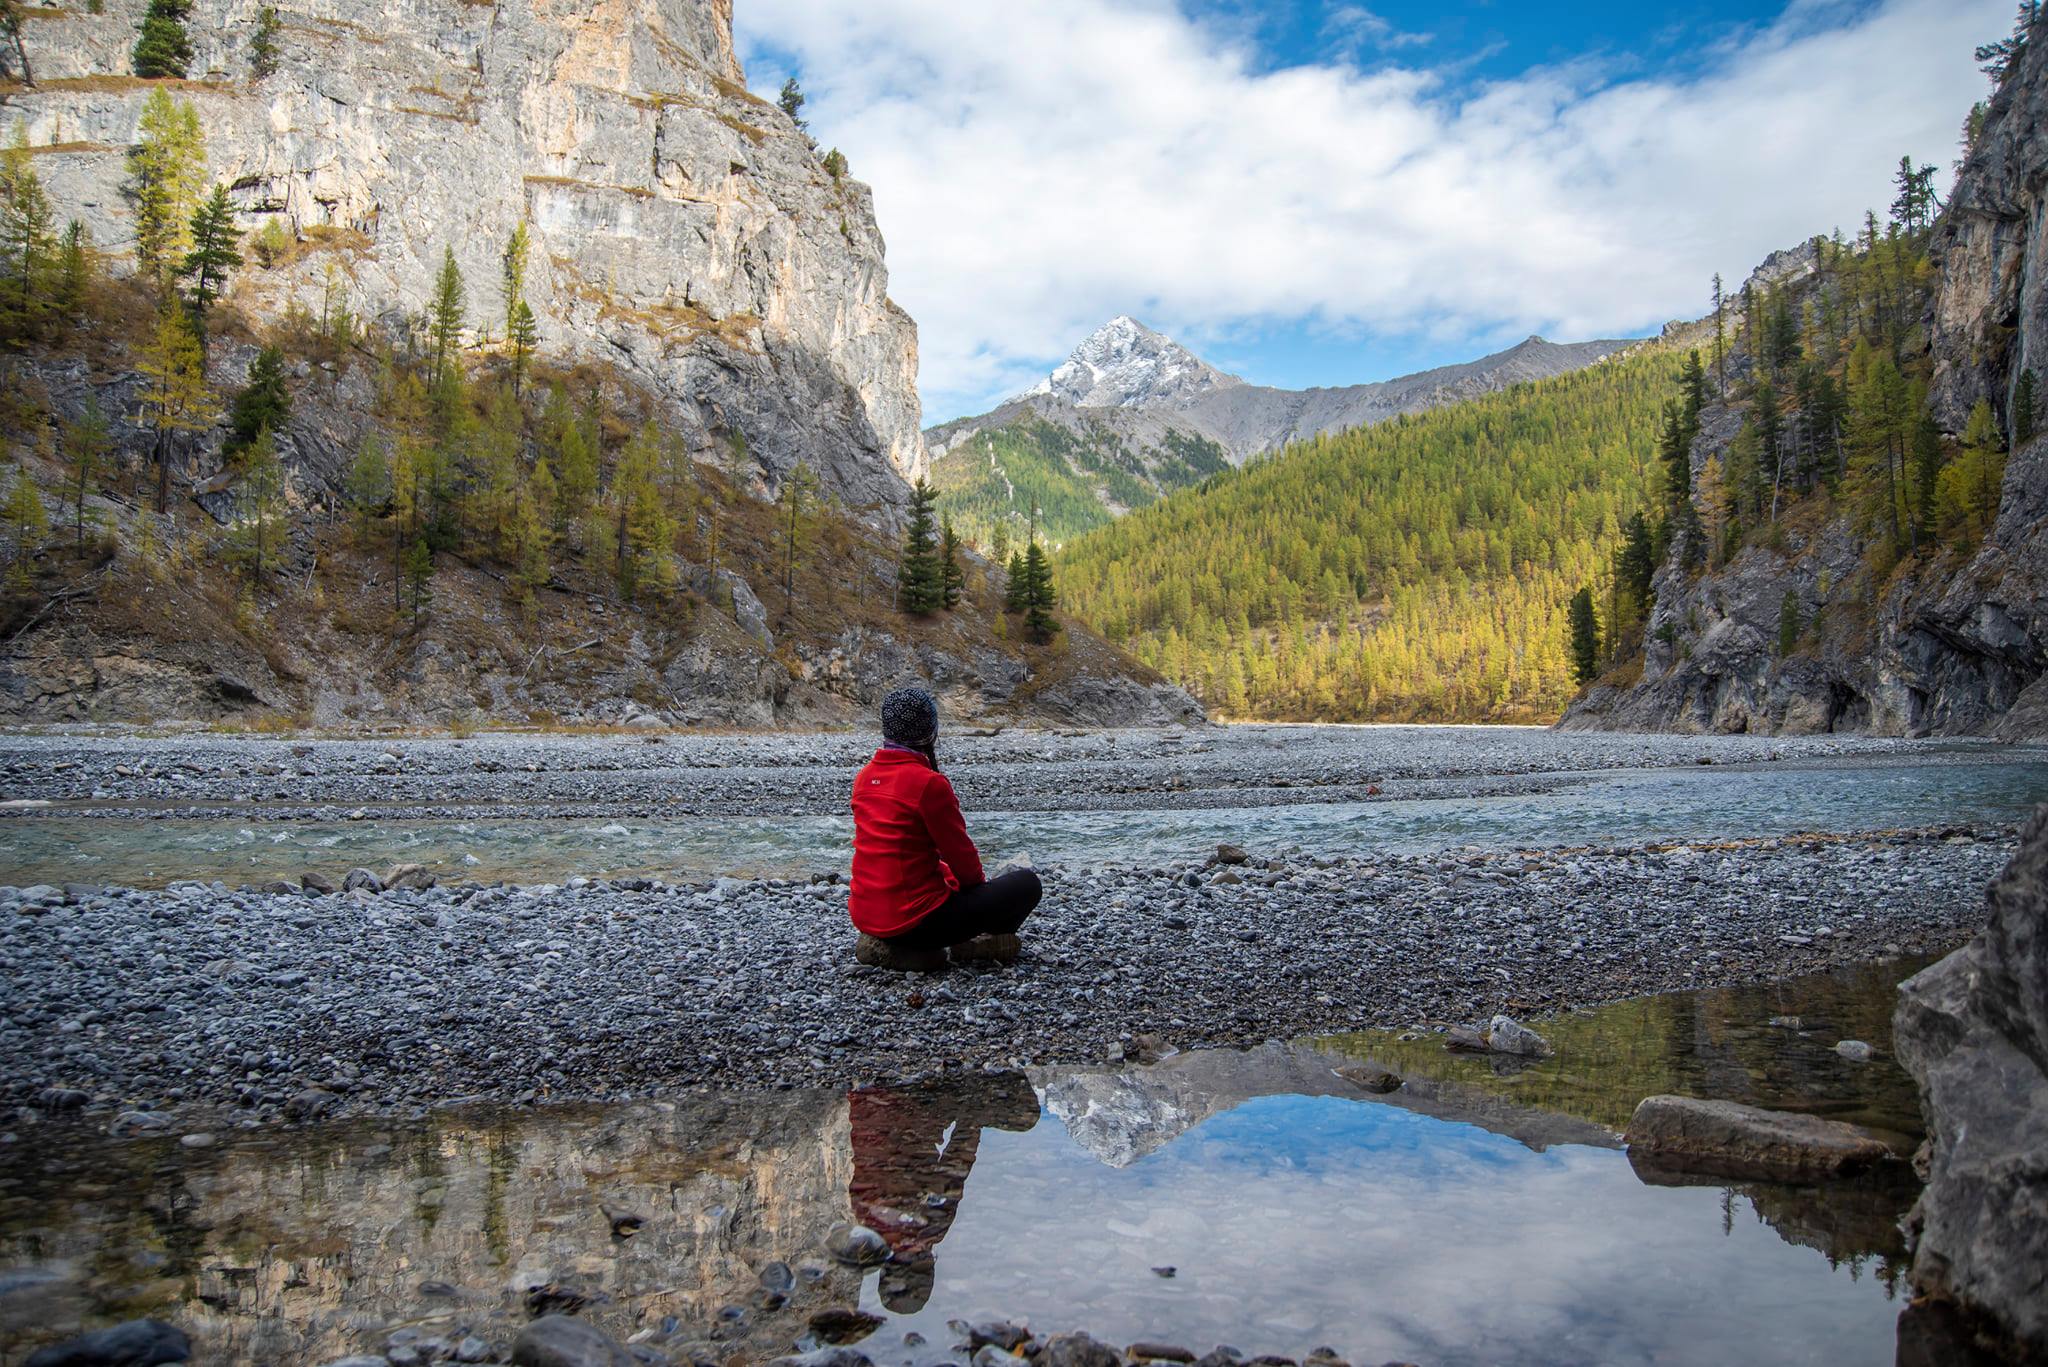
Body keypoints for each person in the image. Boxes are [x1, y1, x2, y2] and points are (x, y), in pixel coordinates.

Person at [848, 685, 1041, 967]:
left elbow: (901, 850)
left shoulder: (865, 777)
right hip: (915, 922)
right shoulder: (928, 783)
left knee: (949, 878)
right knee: (1027, 884)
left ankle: (892, 948)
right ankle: (975, 945)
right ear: (929, 731)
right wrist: (972, 895)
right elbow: (965, 863)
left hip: (865, 914)